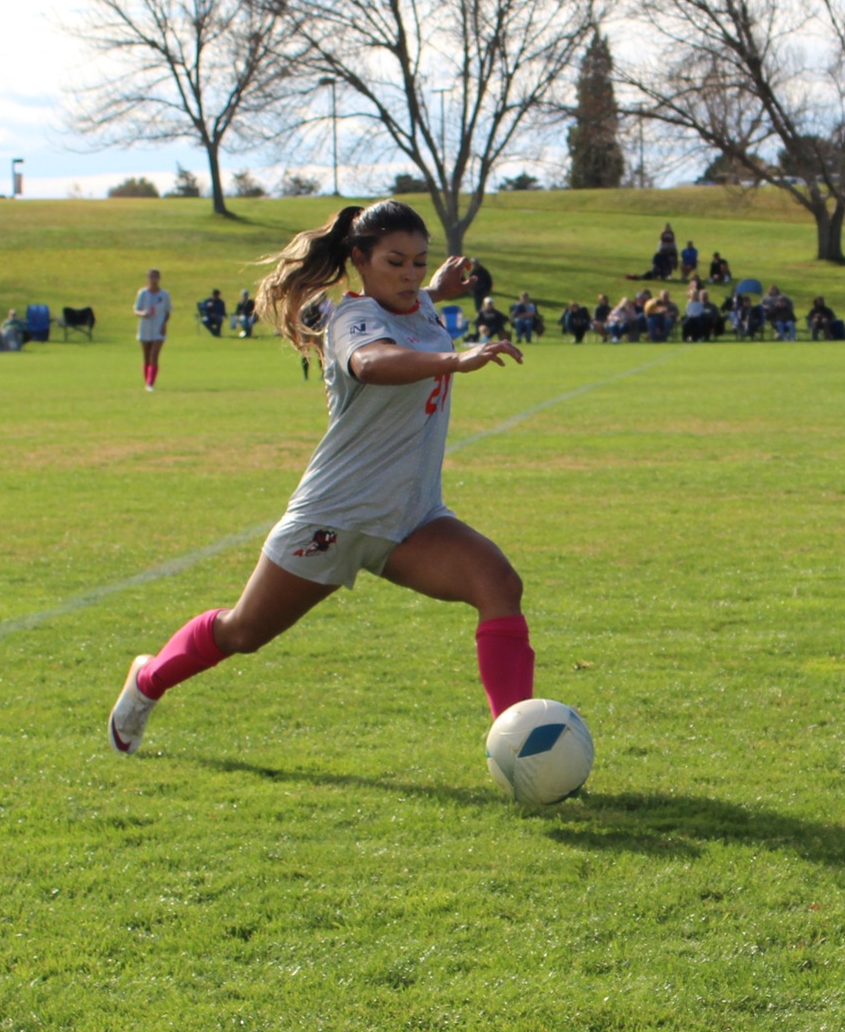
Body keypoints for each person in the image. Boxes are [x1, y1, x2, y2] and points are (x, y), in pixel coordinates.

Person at [107, 199, 539, 756]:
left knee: (499, 585)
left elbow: (416, 306)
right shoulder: (351, 321)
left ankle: (518, 746)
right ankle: (146, 682)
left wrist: (437, 287)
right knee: (242, 632)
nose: (408, 275)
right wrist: (455, 361)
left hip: (411, 520)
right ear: (360, 259)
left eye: (417, 262)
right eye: (394, 262)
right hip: (334, 516)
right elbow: (376, 362)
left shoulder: (418, 303)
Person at [134, 268, 171, 390]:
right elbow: (136, 309)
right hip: (145, 327)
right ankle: (147, 382)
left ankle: (150, 383)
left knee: (154, 355)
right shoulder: (143, 293)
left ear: (159, 278)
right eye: (151, 277)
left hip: (158, 328)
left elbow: (167, 312)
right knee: (146, 355)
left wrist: (164, 324)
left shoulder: (164, 294)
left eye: (155, 277)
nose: (153, 280)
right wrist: (142, 313)